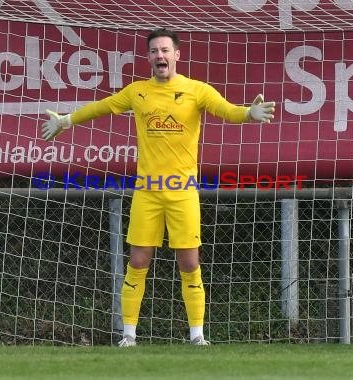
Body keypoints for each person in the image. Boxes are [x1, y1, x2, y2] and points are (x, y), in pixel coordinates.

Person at [41, 28, 275, 347]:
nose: (160, 56)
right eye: (154, 51)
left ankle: (197, 336)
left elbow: (227, 110)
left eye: (165, 50)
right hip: (147, 192)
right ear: (149, 57)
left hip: (183, 193)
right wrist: (66, 121)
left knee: (190, 263)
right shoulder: (137, 91)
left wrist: (249, 113)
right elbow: (103, 106)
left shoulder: (197, 90)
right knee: (138, 262)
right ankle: (128, 336)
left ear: (177, 55)